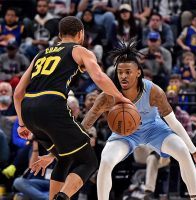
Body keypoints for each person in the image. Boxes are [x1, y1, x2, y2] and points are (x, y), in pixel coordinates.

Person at [13, 16, 131, 200]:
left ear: (60, 35)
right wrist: (121, 98)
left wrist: (22, 124)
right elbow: (99, 78)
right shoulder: (79, 50)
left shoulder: (40, 54)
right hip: (51, 105)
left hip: (28, 109)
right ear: (81, 34)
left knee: (65, 157)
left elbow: (18, 92)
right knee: (89, 161)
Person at [81, 39, 196, 200]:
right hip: (125, 135)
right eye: (120, 72)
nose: (123, 76)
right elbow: (84, 126)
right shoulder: (107, 95)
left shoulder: (153, 91)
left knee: (183, 152)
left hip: (155, 130)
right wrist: (56, 152)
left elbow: (174, 123)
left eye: (128, 72)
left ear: (138, 72)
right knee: (106, 160)